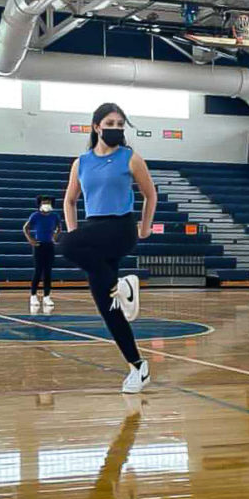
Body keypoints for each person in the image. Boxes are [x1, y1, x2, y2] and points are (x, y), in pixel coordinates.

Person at [59, 103, 157, 394]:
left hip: (121, 228)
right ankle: (138, 367)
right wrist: (78, 234)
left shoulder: (131, 158)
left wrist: (145, 227)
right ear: (96, 127)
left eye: (120, 124)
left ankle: (125, 286)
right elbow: (69, 200)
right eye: (110, 123)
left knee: (65, 245)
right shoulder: (81, 162)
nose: (115, 128)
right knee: (108, 307)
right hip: (94, 229)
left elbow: (150, 195)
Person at [23, 195, 61, 310]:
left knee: (48, 271)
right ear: (39, 204)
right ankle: (33, 295)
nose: (46, 204)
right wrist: (31, 240)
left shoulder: (55, 216)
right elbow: (26, 228)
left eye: (48, 202)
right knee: (38, 270)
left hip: (49, 245)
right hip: (39, 245)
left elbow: (59, 228)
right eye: (44, 202)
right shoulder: (35, 216)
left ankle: (46, 296)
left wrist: (54, 237)